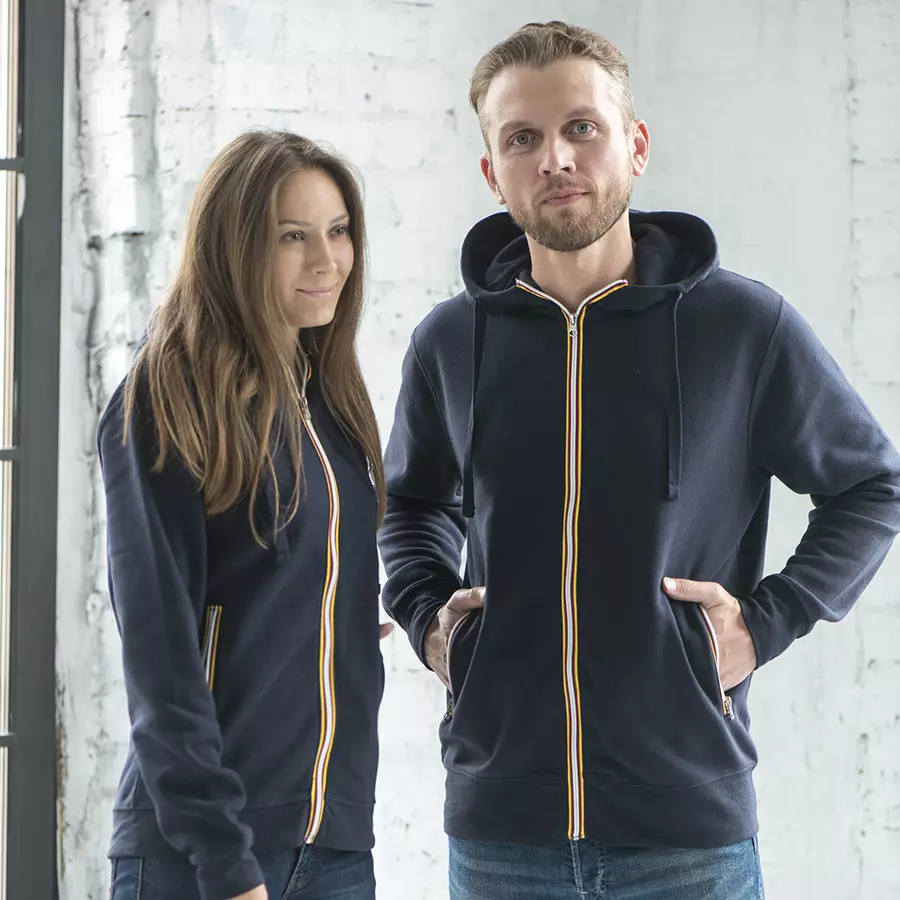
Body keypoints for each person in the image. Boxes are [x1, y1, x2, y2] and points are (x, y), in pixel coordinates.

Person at [378, 21, 900, 900]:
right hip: (503, 834)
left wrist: (764, 623)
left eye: (581, 127)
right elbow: (410, 503)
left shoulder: (741, 328)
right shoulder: (449, 342)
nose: (555, 158)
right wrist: (435, 622)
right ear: (493, 174)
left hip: (687, 837)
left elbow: (871, 484)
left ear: (637, 145)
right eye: (522, 138)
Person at [99, 130, 388, 900]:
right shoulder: (166, 401)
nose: (326, 260)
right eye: (292, 236)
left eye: (338, 231)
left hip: (333, 848)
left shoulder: (328, 402)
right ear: (233, 245)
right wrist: (224, 864)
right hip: (200, 857)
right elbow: (162, 660)